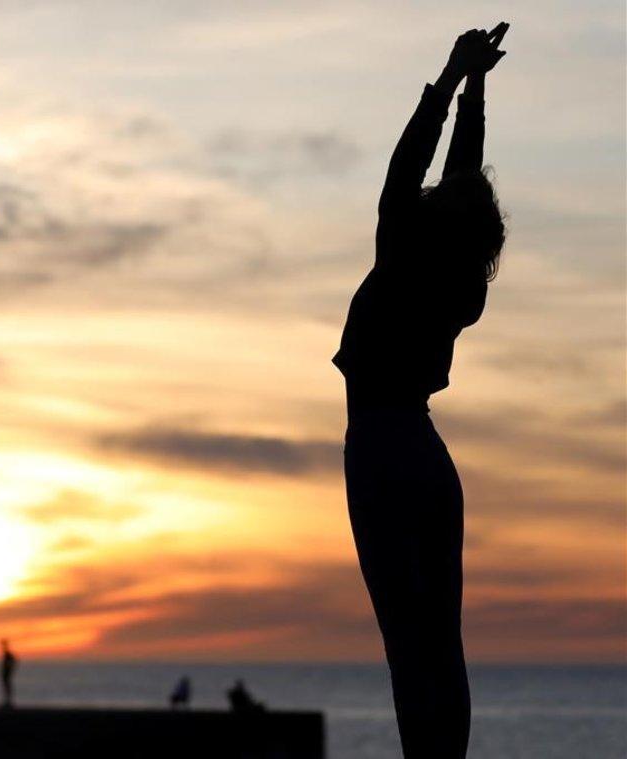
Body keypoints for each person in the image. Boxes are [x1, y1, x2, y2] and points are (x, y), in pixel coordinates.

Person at [333, 23, 509, 759]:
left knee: (409, 644)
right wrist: (473, 92)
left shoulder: (404, 251)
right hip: (429, 457)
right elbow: (455, 182)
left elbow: (408, 168)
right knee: (442, 640)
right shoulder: (461, 281)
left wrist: (452, 79)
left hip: (380, 448)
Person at [0, 639, 18, 708]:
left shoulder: (8, 655)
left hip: (7, 673)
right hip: (5, 673)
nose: (2, 648)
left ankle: (8, 703)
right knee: (6, 688)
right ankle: (7, 702)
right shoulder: (6, 654)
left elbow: (14, 662)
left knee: (7, 688)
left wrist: (10, 669)